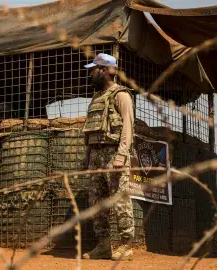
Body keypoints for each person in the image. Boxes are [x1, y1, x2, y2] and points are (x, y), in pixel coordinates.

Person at [81, 53, 135, 261]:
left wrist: (121, 155)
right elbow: (90, 130)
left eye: (93, 70)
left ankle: (126, 245)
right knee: (96, 202)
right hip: (96, 155)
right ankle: (103, 245)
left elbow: (127, 127)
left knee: (119, 199)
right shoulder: (96, 98)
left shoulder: (121, 95)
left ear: (104, 71)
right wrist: (87, 156)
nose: (90, 74)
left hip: (114, 154)